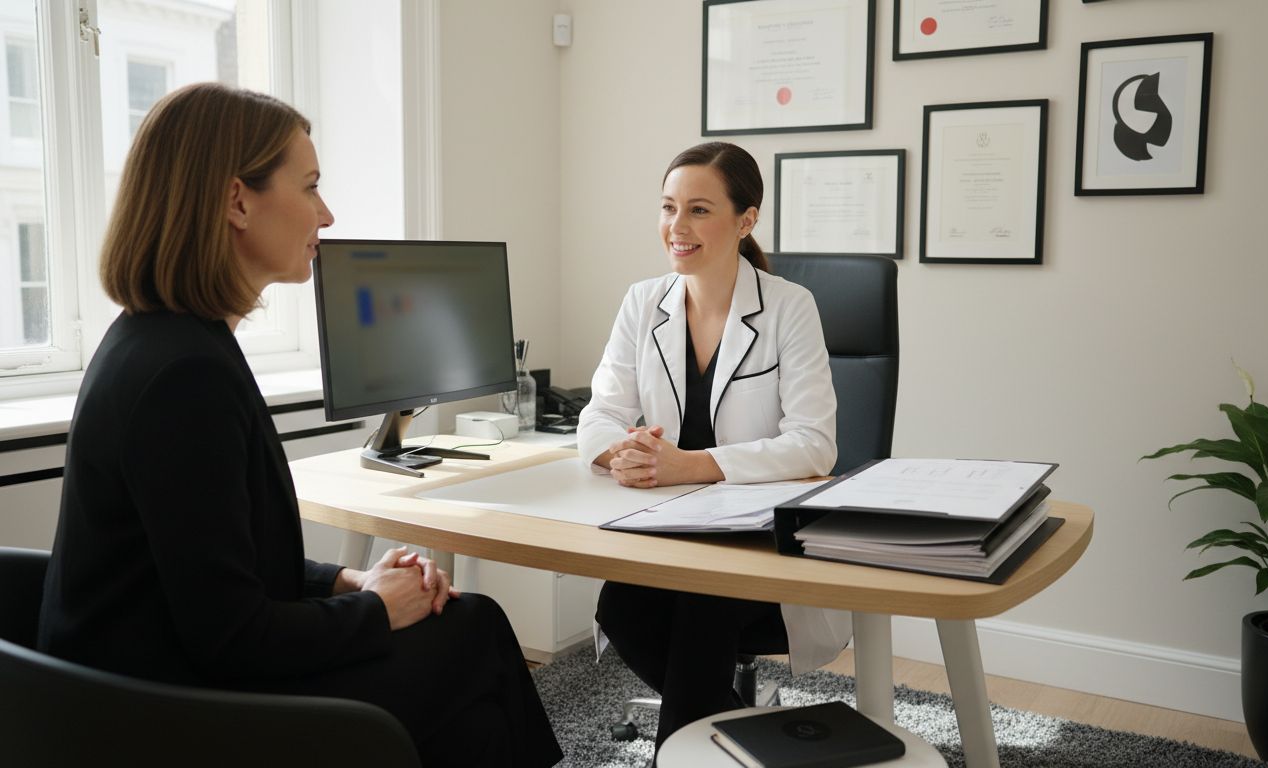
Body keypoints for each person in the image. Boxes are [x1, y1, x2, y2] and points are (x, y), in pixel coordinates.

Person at [36, 82, 561, 768]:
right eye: (310, 186)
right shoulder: (183, 378)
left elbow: (220, 567)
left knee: (470, 712)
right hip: (163, 715)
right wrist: (377, 611)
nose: (327, 213)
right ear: (235, 200)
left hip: (154, 678)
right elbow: (231, 636)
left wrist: (349, 584)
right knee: (473, 633)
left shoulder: (164, 343)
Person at [577, 141, 852, 747]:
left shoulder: (789, 308)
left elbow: (814, 446)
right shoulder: (642, 301)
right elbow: (599, 415)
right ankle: (750, 740)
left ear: (746, 219)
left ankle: (681, 757)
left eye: (699, 210)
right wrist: (622, 453)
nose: (677, 227)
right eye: (668, 207)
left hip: (756, 541)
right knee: (620, 609)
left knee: (703, 602)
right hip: (666, 528)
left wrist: (689, 464)